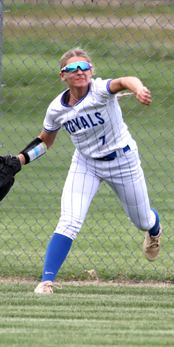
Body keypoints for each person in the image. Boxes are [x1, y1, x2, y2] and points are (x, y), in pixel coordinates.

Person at [13, 47, 161, 294]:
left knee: (142, 220)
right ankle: (46, 281)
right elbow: (45, 142)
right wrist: (19, 160)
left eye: (84, 67)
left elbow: (125, 81)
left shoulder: (100, 90)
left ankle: (154, 230)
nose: (79, 71)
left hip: (122, 161)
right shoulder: (56, 109)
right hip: (85, 164)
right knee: (69, 221)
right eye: (72, 68)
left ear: (91, 71)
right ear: (63, 76)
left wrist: (138, 89)